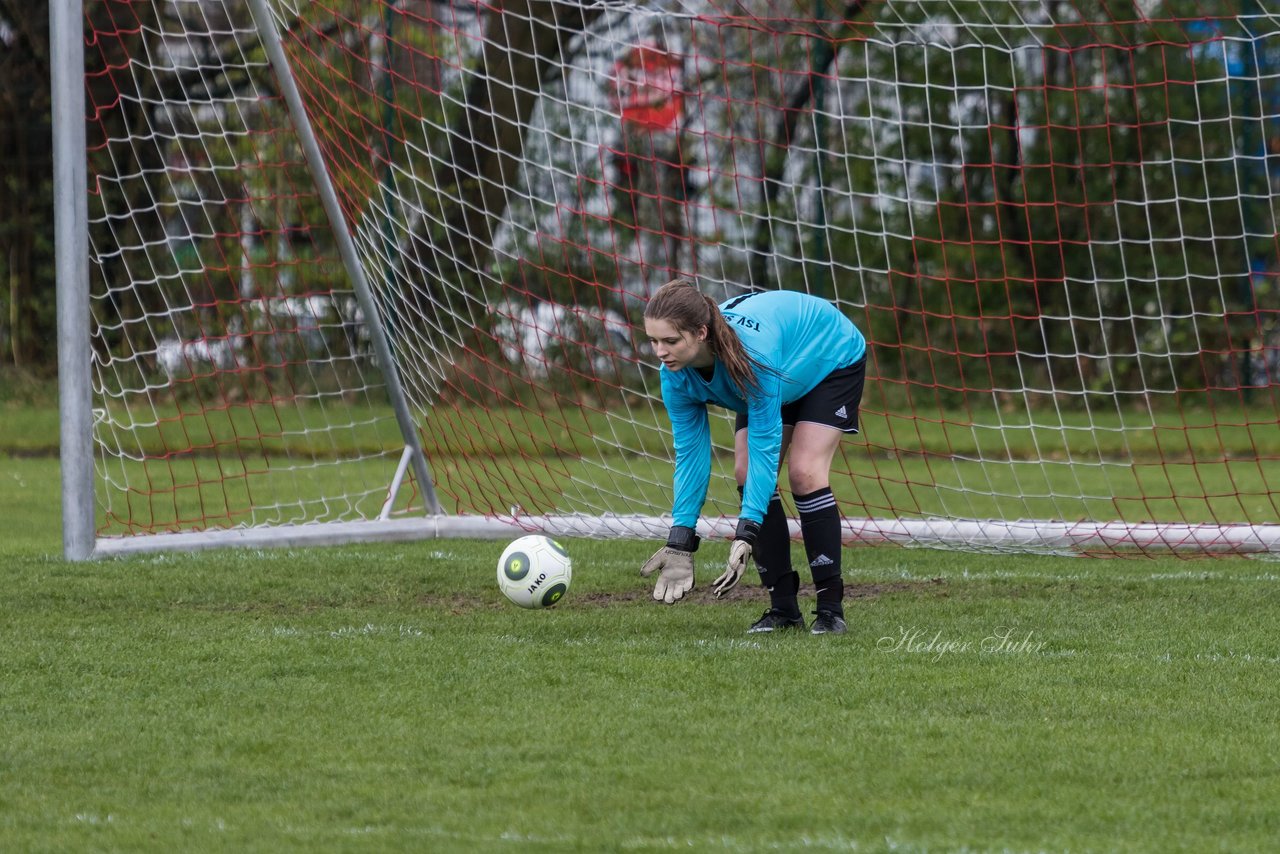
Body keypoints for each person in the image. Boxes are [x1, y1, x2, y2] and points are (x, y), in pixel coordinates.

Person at [639, 278, 867, 635]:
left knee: (804, 472)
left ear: (700, 333)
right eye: (653, 341)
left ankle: (829, 609)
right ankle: (783, 610)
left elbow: (765, 446)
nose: (660, 352)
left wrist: (746, 531)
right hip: (782, 369)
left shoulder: (751, 359)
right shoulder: (674, 376)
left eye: (670, 341)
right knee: (744, 471)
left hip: (827, 356)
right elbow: (692, 455)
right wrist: (680, 540)